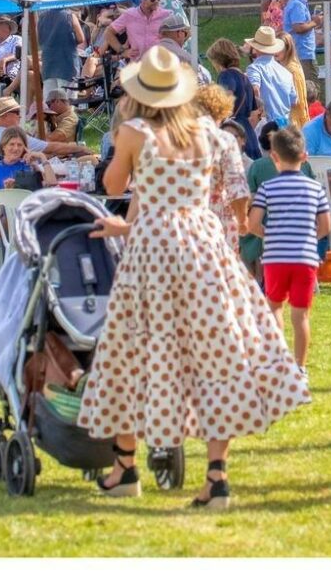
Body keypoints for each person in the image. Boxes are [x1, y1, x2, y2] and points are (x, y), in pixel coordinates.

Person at [77, 47, 310, 509]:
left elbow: (114, 187)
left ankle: (125, 467)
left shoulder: (133, 132)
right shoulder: (212, 134)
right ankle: (216, 476)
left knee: (131, 348)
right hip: (203, 243)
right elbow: (218, 198)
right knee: (217, 351)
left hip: (154, 249)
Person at [246, 126, 331, 367]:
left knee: (274, 307)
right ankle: (300, 367)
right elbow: (325, 226)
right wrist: (309, 237)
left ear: (274, 157)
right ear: (304, 156)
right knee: (300, 315)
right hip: (304, 258)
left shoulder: (266, 188)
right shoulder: (315, 189)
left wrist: (269, 234)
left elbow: (252, 224)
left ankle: (277, 360)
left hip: (275, 257)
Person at [242, 26, 295, 135]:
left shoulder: (255, 68)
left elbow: (255, 90)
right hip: (285, 126)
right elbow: (294, 101)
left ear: (256, 48)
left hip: (266, 126)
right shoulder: (286, 73)